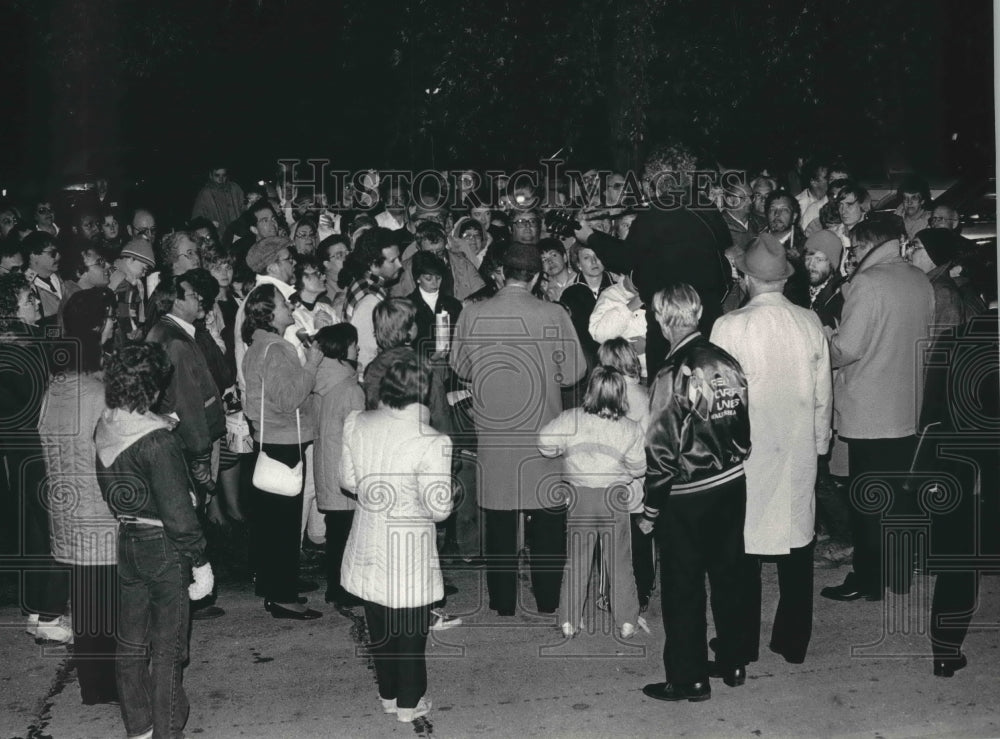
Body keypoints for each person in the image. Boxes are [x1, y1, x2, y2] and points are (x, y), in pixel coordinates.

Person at [711, 237, 833, 666]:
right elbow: (823, 395)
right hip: (797, 447)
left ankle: (739, 646)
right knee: (797, 547)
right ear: (784, 279)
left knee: (742, 552)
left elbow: (720, 400)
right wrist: (819, 445)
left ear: (746, 278)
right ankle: (792, 642)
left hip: (747, 454)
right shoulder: (809, 321)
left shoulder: (728, 326)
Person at [451, 242, 586, 616]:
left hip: (495, 433)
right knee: (547, 521)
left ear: (499, 273)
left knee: (499, 520)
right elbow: (574, 371)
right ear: (538, 276)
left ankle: (503, 602)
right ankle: (547, 599)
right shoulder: (553, 313)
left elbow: (460, 367)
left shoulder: (472, 313)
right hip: (542, 431)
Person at [638, 284, 751, 703]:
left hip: (688, 494)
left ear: (664, 318)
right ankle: (734, 660)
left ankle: (689, 678)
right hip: (731, 482)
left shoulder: (672, 372)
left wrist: (650, 508)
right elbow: (742, 427)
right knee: (728, 576)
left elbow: (662, 449)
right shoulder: (726, 360)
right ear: (697, 312)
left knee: (683, 586)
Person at [95, 342, 213, 739]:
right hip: (165, 547)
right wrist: (199, 559)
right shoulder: (157, 442)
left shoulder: (108, 423)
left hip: (128, 538)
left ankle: (140, 726)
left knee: (130, 644)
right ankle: (166, 731)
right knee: (168, 650)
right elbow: (179, 514)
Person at [821, 217, 935, 602]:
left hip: (869, 411)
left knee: (867, 503)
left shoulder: (868, 284)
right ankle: (898, 575)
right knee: (897, 500)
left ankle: (868, 582)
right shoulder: (920, 280)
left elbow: (847, 349)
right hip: (906, 408)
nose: (850, 256)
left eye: (852, 249)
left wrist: (825, 340)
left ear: (868, 245)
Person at [340, 354, 454, 723]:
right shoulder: (433, 441)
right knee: (410, 628)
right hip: (410, 546)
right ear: (423, 392)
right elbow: (439, 509)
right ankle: (409, 701)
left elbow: (348, 481)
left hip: (369, 536)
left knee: (379, 621)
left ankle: (388, 693)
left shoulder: (356, 423)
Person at [574, 143, 732, 379]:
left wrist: (591, 237)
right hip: (706, 315)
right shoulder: (705, 206)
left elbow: (626, 258)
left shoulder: (654, 215)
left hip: (667, 321)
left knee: (665, 387)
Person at [39, 287, 118, 704]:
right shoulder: (98, 390)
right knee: (107, 607)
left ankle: (95, 687)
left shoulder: (57, 386)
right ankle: (111, 686)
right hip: (98, 512)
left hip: (65, 509)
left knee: (87, 608)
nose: (114, 325)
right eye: (109, 319)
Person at [537, 366, 646, 638]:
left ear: (590, 391)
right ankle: (626, 620)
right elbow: (639, 468)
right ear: (621, 395)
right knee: (619, 560)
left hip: (580, 496)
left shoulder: (571, 418)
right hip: (613, 497)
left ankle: (569, 620)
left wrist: (563, 453)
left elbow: (544, 443)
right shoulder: (629, 428)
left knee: (577, 559)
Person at [242, 284, 324, 620]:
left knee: (273, 522)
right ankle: (282, 596)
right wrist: (313, 362)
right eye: (282, 303)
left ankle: (276, 586)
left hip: (271, 438)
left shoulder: (259, 345)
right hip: (284, 441)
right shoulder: (275, 348)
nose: (290, 306)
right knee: (283, 524)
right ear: (268, 312)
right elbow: (290, 398)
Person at [0, 273, 71, 643]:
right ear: (11, 307)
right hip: (40, 446)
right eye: (29, 299)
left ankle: (32, 609)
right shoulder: (27, 346)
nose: (36, 304)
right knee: (52, 527)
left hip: (17, 449)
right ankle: (49, 614)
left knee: (30, 528)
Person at [597, 338, 655, 610]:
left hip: (614, 476)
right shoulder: (645, 395)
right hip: (641, 475)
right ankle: (643, 588)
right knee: (640, 537)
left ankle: (615, 593)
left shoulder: (608, 396)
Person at [311, 323, 366, 608]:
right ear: (344, 348)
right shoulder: (349, 387)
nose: (359, 349)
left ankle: (334, 586)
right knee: (348, 534)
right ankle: (345, 589)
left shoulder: (319, 380)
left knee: (335, 533)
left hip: (324, 462)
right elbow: (358, 433)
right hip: (345, 467)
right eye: (355, 344)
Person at [192, 166, 245, 236]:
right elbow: (197, 218)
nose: (221, 178)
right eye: (217, 175)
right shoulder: (205, 193)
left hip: (240, 233)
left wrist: (251, 204)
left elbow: (244, 207)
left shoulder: (235, 188)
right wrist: (210, 224)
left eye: (224, 175)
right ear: (211, 175)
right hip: (220, 235)